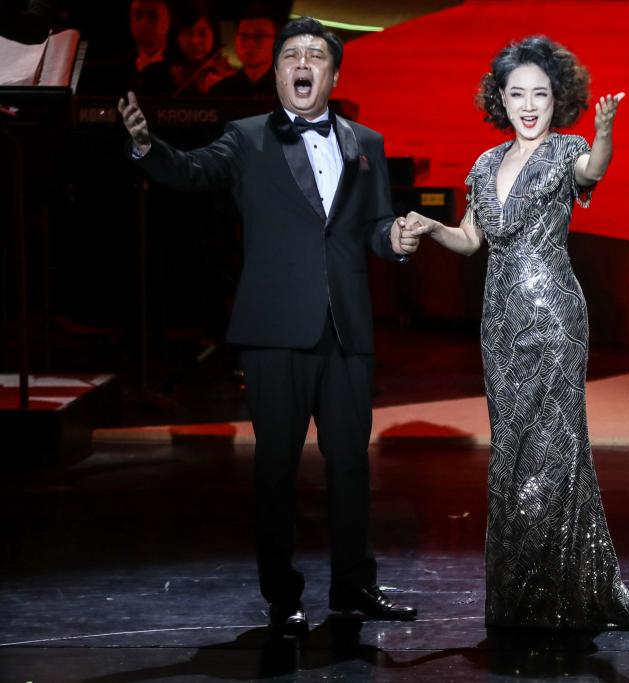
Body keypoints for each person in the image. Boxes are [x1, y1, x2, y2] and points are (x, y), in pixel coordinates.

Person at [405, 35, 629, 637]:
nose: (528, 105)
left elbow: (594, 170)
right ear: (500, 99)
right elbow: (470, 239)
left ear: (557, 99)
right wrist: (432, 227)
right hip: (499, 322)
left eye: (540, 94)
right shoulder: (484, 164)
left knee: (554, 450)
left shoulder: (569, 150)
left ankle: (558, 596)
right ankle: (521, 599)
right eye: (517, 94)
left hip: (555, 318)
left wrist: (606, 132)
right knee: (512, 453)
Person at [118, 16, 420, 637]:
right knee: (276, 467)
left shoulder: (366, 141)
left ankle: (354, 586)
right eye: (291, 56)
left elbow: (374, 226)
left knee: (350, 465)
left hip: (346, 329)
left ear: (334, 75)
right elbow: (192, 171)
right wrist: (148, 147)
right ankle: (283, 595)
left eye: (316, 55)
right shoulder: (247, 137)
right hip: (274, 328)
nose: (303, 63)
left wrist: (394, 239)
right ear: (278, 72)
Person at [209, 3, 278, 97]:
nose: (250, 43)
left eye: (259, 36)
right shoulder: (221, 91)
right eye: (244, 35)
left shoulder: (290, 91)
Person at [167, 1, 231, 95]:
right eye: (188, 33)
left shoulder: (227, 77)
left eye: (202, 33)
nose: (195, 41)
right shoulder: (162, 73)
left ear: (214, 35)